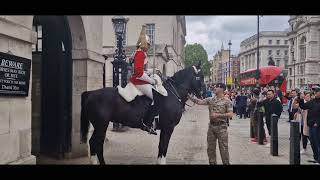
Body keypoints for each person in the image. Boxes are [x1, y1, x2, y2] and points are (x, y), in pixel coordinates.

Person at [188, 83, 233, 165]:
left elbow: (230, 114)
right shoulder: (211, 99)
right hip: (211, 127)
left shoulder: (227, 101)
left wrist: (218, 115)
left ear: (221, 89)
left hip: (222, 128)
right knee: (210, 150)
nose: (214, 88)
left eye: (216, 87)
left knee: (224, 149)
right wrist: (189, 96)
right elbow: (199, 102)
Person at [129, 25, 157, 135]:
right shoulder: (140, 53)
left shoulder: (139, 53)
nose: (149, 47)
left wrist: (152, 71)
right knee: (156, 97)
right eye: (148, 44)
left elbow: (142, 71)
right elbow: (139, 73)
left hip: (137, 78)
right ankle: (148, 122)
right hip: (138, 80)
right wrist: (151, 81)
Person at [298, 86, 320, 164]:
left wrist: (317, 122)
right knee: (313, 142)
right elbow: (303, 106)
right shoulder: (312, 101)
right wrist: (300, 98)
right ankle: (316, 158)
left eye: (317, 91)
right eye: (315, 91)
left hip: (317, 125)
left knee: (318, 142)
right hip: (310, 124)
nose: (315, 93)